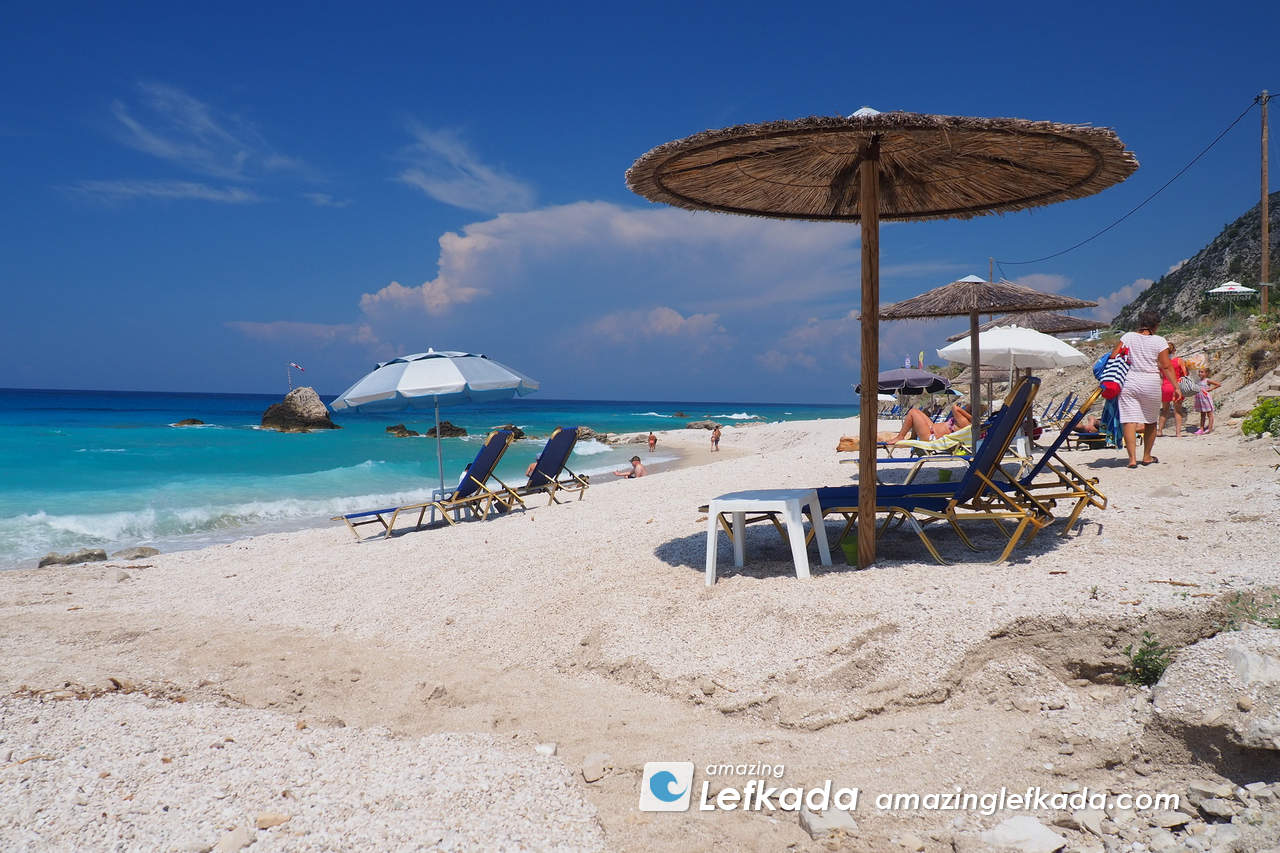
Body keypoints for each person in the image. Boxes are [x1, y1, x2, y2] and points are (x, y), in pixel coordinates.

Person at [1112, 310, 1182, 468]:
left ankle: (1132, 459)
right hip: (1150, 383)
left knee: (1129, 420)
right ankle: (1147, 457)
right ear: (1156, 325)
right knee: (1150, 421)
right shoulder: (1159, 341)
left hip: (1129, 381)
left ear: (1140, 323)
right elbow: (1166, 366)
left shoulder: (1128, 337)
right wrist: (1176, 387)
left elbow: (1114, 355)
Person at [886, 403, 971, 445]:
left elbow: (955, 407)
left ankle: (900, 437)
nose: (964, 407)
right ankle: (913, 437)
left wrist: (971, 418)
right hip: (931, 429)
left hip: (931, 437)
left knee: (913, 412)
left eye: (966, 407)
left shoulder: (964, 421)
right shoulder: (965, 421)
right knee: (919, 412)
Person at [1158, 341, 1189, 437]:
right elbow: (1185, 374)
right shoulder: (1179, 360)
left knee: (1164, 410)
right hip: (1177, 386)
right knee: (1178, 410)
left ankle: (1160, 431)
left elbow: (1161, 375)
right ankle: (1178, 433)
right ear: (1174, 350)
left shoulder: (1162, 362)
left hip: (1165, 387)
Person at [1193, 368, 1222, 435]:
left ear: (1206, 373)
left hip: (1205, 399)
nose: (1200, 373)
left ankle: (1210, 428)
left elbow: (1218, 384)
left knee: (1209, 413)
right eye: (1199, 372)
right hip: (1200, 399)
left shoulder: (1207, 380)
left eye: (1202, 372)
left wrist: (1210, 389)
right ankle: (1201, 429)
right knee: (1202, 414)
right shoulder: (1198, 381)